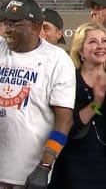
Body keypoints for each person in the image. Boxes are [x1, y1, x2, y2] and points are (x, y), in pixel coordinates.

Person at [0, 0, 76, 189]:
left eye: (16, 23)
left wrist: (45, 166)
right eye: (4, 22)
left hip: (31, 169)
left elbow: (64, 120)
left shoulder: (58, 60)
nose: (7, 29)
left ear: (36, 27)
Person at [48, 22, 106, 189]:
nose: (100, 46)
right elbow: (67, 127)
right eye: (93, 42)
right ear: (80, 51)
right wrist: (96, 104)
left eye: (104, 41)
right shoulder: (68, 80)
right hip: (74, 167)